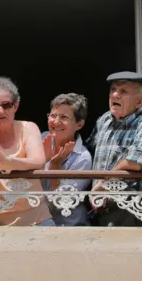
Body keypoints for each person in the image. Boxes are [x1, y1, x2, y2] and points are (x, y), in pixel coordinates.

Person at [0, 76, 55, 226]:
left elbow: (38, 162)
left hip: (35, 218)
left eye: (6, 105)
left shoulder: (28, 128)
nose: (1, 111)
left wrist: (7, 162)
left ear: (16, 106)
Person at [86, 71, 142, 227]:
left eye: (123, 91)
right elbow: (88, 151)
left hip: (131, 209)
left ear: (139, 101)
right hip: (100, 211)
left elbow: (134, 161)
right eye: (113, 89)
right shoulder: (104, 120)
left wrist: (101, 185)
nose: (115, 95)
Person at [41, 93, 92, 226]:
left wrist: (55, 165)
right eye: (53, 115)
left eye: (63, 117)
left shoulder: (83, 158)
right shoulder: (41, 139)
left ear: (79, 124)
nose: (56, 122)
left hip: (69, 227)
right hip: (37, 223)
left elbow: (60, 201)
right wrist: (42, 161)